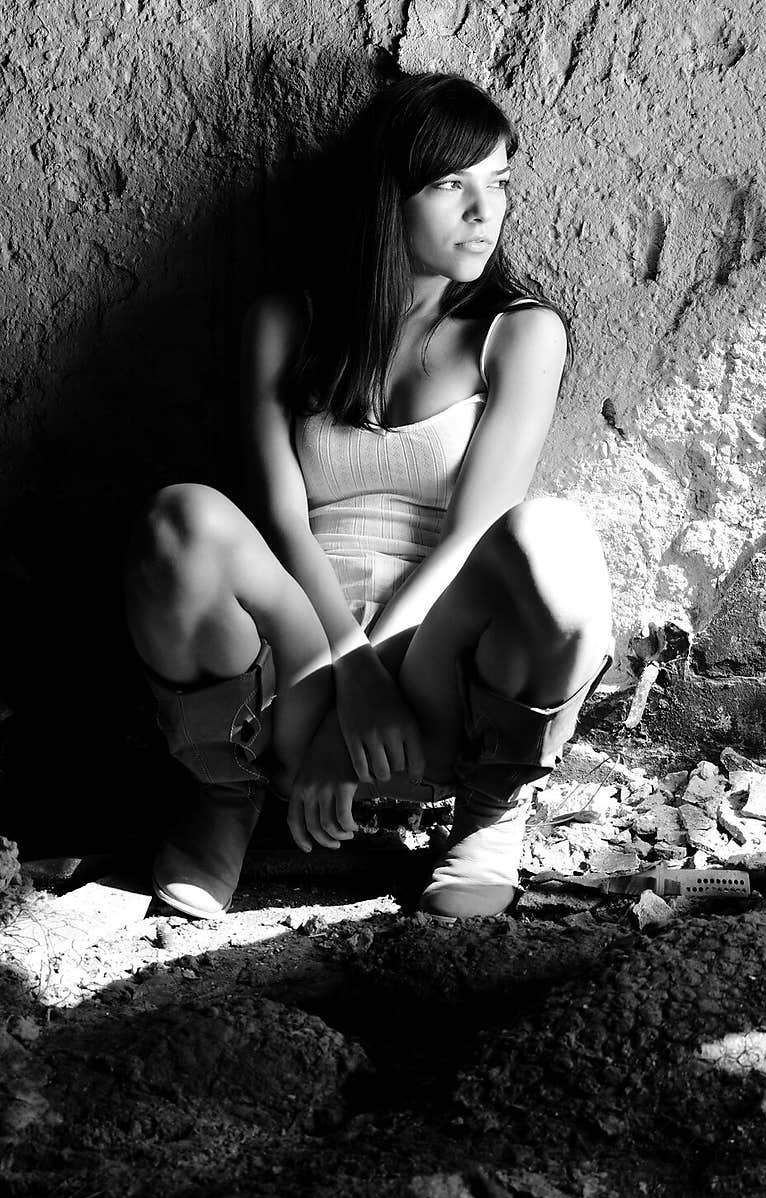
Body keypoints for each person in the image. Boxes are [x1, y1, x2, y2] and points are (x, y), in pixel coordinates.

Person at [124, 71, 614, 921]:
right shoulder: (288, 320)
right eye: (451, 184)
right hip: (299, 653)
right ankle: (224, 797)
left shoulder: (521, 332)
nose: (483, 211)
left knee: (552, 540)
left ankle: (490, 814)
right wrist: (344, 677)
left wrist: (378, 683)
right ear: (389, 195)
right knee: (180, 519)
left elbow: (471, 537)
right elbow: (280, 520)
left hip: (436, 668)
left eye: (499, 182)